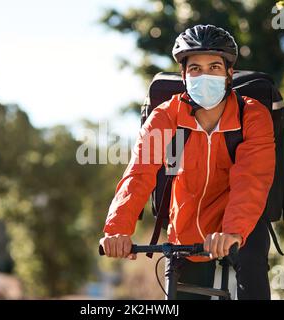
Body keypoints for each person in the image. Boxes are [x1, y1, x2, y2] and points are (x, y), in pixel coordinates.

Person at [99, 24, 275, 300]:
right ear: (183, 74)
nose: (204, 75)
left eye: (214, 67)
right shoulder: (165, 117)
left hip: (243, 221)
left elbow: (251, 177)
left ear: (230, 73)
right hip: (188, 225)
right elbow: (139, 173)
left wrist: (232, 232)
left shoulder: (252, 115)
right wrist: (118, 231)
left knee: (252, 270)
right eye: (195, 68)